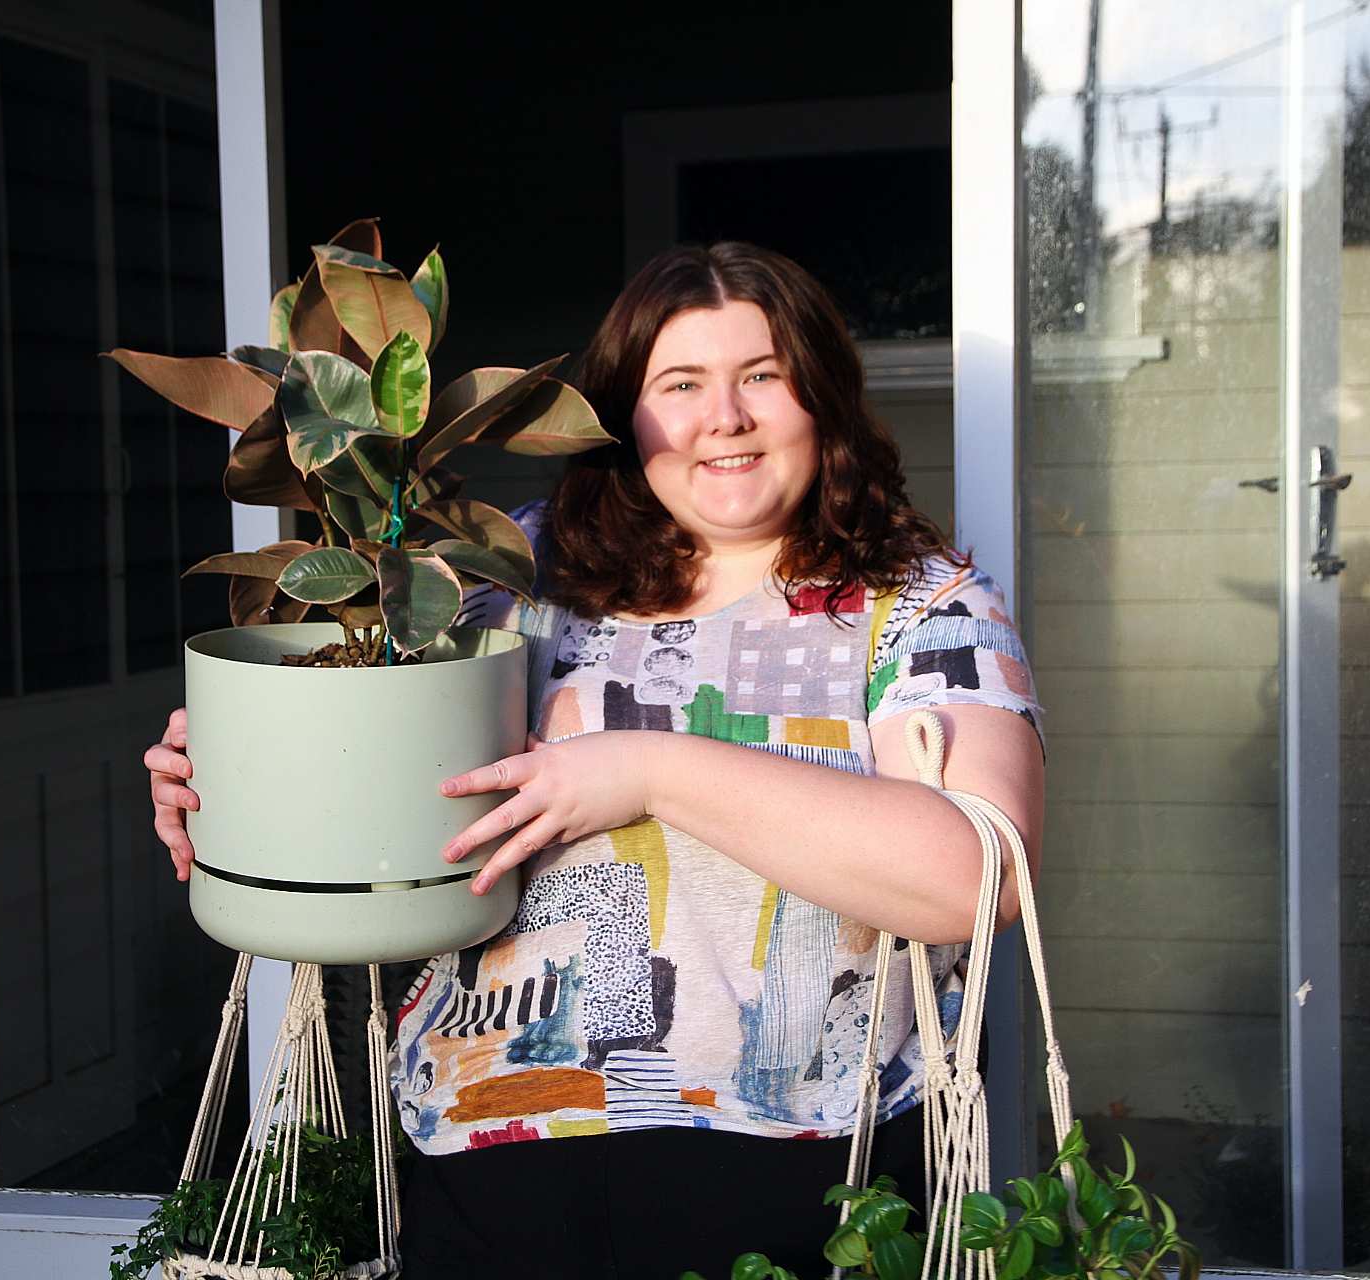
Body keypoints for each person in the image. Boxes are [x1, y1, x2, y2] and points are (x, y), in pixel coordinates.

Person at [143, 242, 1046, 1278]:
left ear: (823, 397)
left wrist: (647, 771)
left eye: (763, 374)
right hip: (494, 1169)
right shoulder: (504, 579)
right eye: (681, 384)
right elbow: (372, 784)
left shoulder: (920, 604)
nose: (727, 417)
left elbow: (977, 873)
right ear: (626, 414)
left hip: (816, 1184)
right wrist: (234, 771)